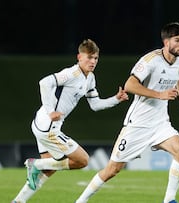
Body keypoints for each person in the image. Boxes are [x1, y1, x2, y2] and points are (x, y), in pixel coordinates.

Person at [75, 22, 179, 203]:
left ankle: (169, 200)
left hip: (160, 123)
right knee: (112, 169)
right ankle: (80, 201)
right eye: (177, 40)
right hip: (138, 124)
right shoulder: (150, 61)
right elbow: (130, 85)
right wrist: (160, 94)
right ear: (166, 42)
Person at [11, 39, 129, 203]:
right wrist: (50, 110)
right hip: (48, 127)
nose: (93, 61)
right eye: (89, 57)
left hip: (42, 124)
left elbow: (95, 105)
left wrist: (116, 99)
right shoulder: (71, 74)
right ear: (79, 57)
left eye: (95, 58)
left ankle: (18, 201)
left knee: (49, 168)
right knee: (82, 160)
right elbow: (44, 82)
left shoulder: (90, 78)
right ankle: (35, 164)